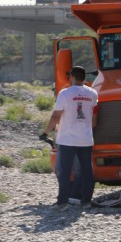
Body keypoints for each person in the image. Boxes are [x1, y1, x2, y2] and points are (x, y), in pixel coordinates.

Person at [42, 65, 98, 207]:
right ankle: (86, 201)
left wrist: (46, 132)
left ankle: (62, 202)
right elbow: (93, 116)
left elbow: (56, 115)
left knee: (64, 171)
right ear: (84, 78)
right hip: (85, 138)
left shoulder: (65, 93)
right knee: (87, 170)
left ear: (71, 77)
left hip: (67, 138)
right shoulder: (93, 93)